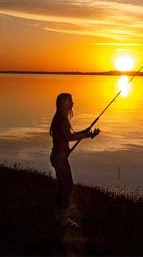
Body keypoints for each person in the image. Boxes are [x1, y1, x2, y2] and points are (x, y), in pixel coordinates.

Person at [49, 92, 100, 228]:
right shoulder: (63, 120)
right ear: (62, 103)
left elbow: (71, 135)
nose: (72, 103)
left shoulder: (59, 118)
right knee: (68, 186)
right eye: (69, 100)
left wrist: (88, 134)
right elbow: (69, 138)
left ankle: (59, 214)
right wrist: (84, 136)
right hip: (60, 158)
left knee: (61, 186)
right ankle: (64, 219)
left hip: (56, 156)